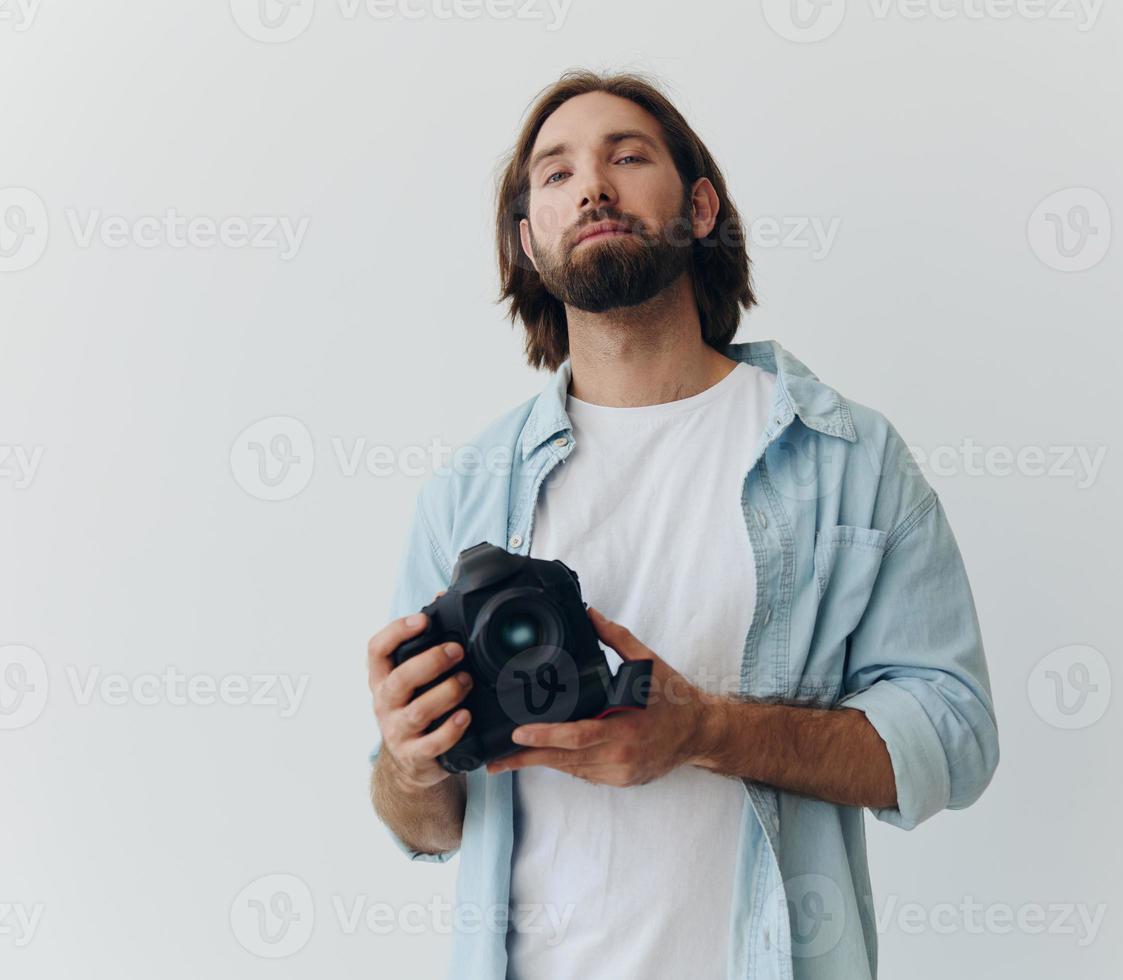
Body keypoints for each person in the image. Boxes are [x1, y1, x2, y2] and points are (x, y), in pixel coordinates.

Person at [367, 69, 999, 980]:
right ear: (527, 239)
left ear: (699, 207)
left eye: (627, 156)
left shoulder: (847, 457)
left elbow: (957, 735)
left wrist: (703, 730)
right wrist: (411, 765)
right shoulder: (466, 490)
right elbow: (426, 823)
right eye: (555, 174)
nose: (592, 185)